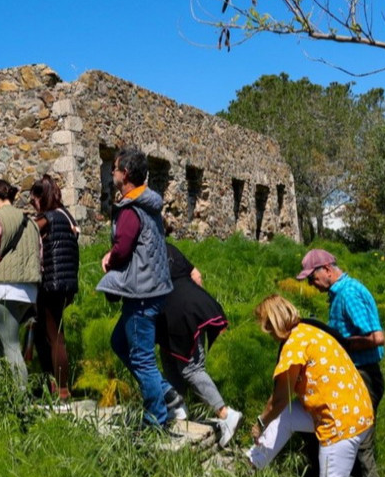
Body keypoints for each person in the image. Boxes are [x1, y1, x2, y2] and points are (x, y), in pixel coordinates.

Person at [245, 294, 373, 477]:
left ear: (272, 323)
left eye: (266, 326)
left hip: (340, 422)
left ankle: (252, 464)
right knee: (287, 415)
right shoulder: (308, 330)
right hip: (357, 410)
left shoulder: (294, 345)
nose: (268, 333)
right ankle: (251, 464)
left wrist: (260, 423)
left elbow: (280, 399)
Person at [94, 145, 175, 428]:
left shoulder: (131, 209)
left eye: (114, 169)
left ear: (125, 173)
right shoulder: (148, 203)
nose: (112, 173)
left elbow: (123, 247)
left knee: (142, 359)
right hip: (153, 287)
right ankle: (165, 391)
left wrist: (109, 257)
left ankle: (156, 420)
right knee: (120, 342)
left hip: (141, 292)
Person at [298, 248, 385, 477]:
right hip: (354, 375)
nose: (312, 284)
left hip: (364, 375)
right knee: (350, 441)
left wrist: (342, 344)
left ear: (327, 269)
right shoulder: (339, 293)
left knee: (361, 442)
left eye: (312, 278)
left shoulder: (348, 294)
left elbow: (376, 338)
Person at [158, 241, 241, 447]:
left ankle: (226, 413)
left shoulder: (144, 250)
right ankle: (178, 408)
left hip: (178, 310)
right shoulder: (169, 248)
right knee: (169, 355)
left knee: (190, 367)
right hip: (193, 303)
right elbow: (196, 275)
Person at [0, 179, 42, 391]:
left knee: (11, 346)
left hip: (5, 289)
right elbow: (39, 257)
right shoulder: (30, 222)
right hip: (30, 291)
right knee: (2, 342)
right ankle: (4, 392)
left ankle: (20, 403)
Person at [29, 174, 79, 402]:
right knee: (46, 333)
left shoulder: (47, 218)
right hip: (67, 283)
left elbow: (27, 233)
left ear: (42, 197)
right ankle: (52, 383)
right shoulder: (67, 215)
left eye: (34, 200)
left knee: (55, 336)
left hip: (51, 282)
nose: (33, 205)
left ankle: (62, 390)